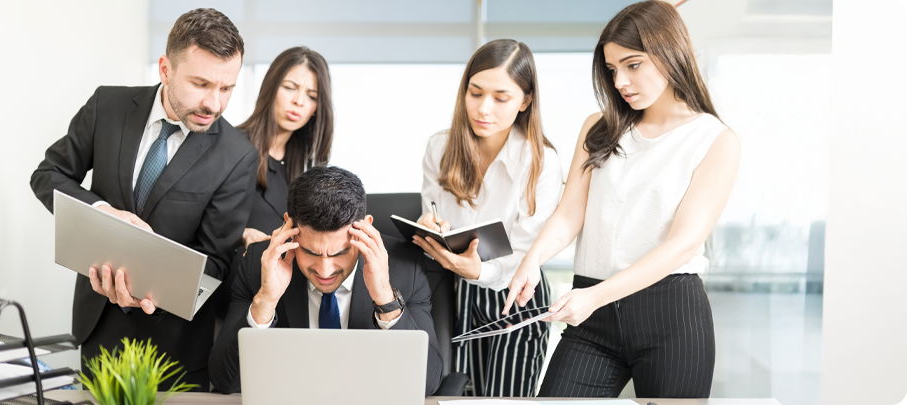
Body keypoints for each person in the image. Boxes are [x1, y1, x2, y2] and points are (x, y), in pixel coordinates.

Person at [503, 0, 740, 398]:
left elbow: (682, 244)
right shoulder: (598, 127)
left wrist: (594, 297)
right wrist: (533, 259)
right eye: (612, 70)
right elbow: (569, 213)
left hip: (671, 314)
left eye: (633, 65)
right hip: (593, 315)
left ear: (669, 53)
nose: (620, 82)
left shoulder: (715, 140)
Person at [29, 8, 257, 390]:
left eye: (227, 88)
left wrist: (150, 290)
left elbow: (215, 262)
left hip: (176, 351)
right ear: (165, 69)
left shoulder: (238, 156)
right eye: (201, 84)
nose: (214, 104)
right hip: (98, 330)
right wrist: (102, 213)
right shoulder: (107, 107)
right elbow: (48, 175)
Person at [410, 39, 563, 397]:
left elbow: (526, 252)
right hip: (459, 290)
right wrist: (432, 227)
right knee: (461, 395)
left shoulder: (541, 162)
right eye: (475, 93)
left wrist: (480, 271)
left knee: (503, 400)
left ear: (525, 100)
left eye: (500, 97)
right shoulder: (440, 147)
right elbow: (435, 215)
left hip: (517, 292)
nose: (483, 109)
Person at [208, 166, 443, 396]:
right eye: (310, 252)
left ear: (366, 228)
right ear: (289, 224)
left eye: (339, 253)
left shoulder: (405, 267)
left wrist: (384, 297)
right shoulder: (260, 264)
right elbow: (225, 380)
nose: (324, 269)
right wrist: (266, 301)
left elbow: (427, 384)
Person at [209, 46, 334, 319]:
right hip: (227, 297)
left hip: (281, 303)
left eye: (311, 96)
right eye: (291, 87)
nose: (299, 102)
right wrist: (240, 233)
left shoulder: (300, 174)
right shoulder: (227, 145)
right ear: (271, 87)